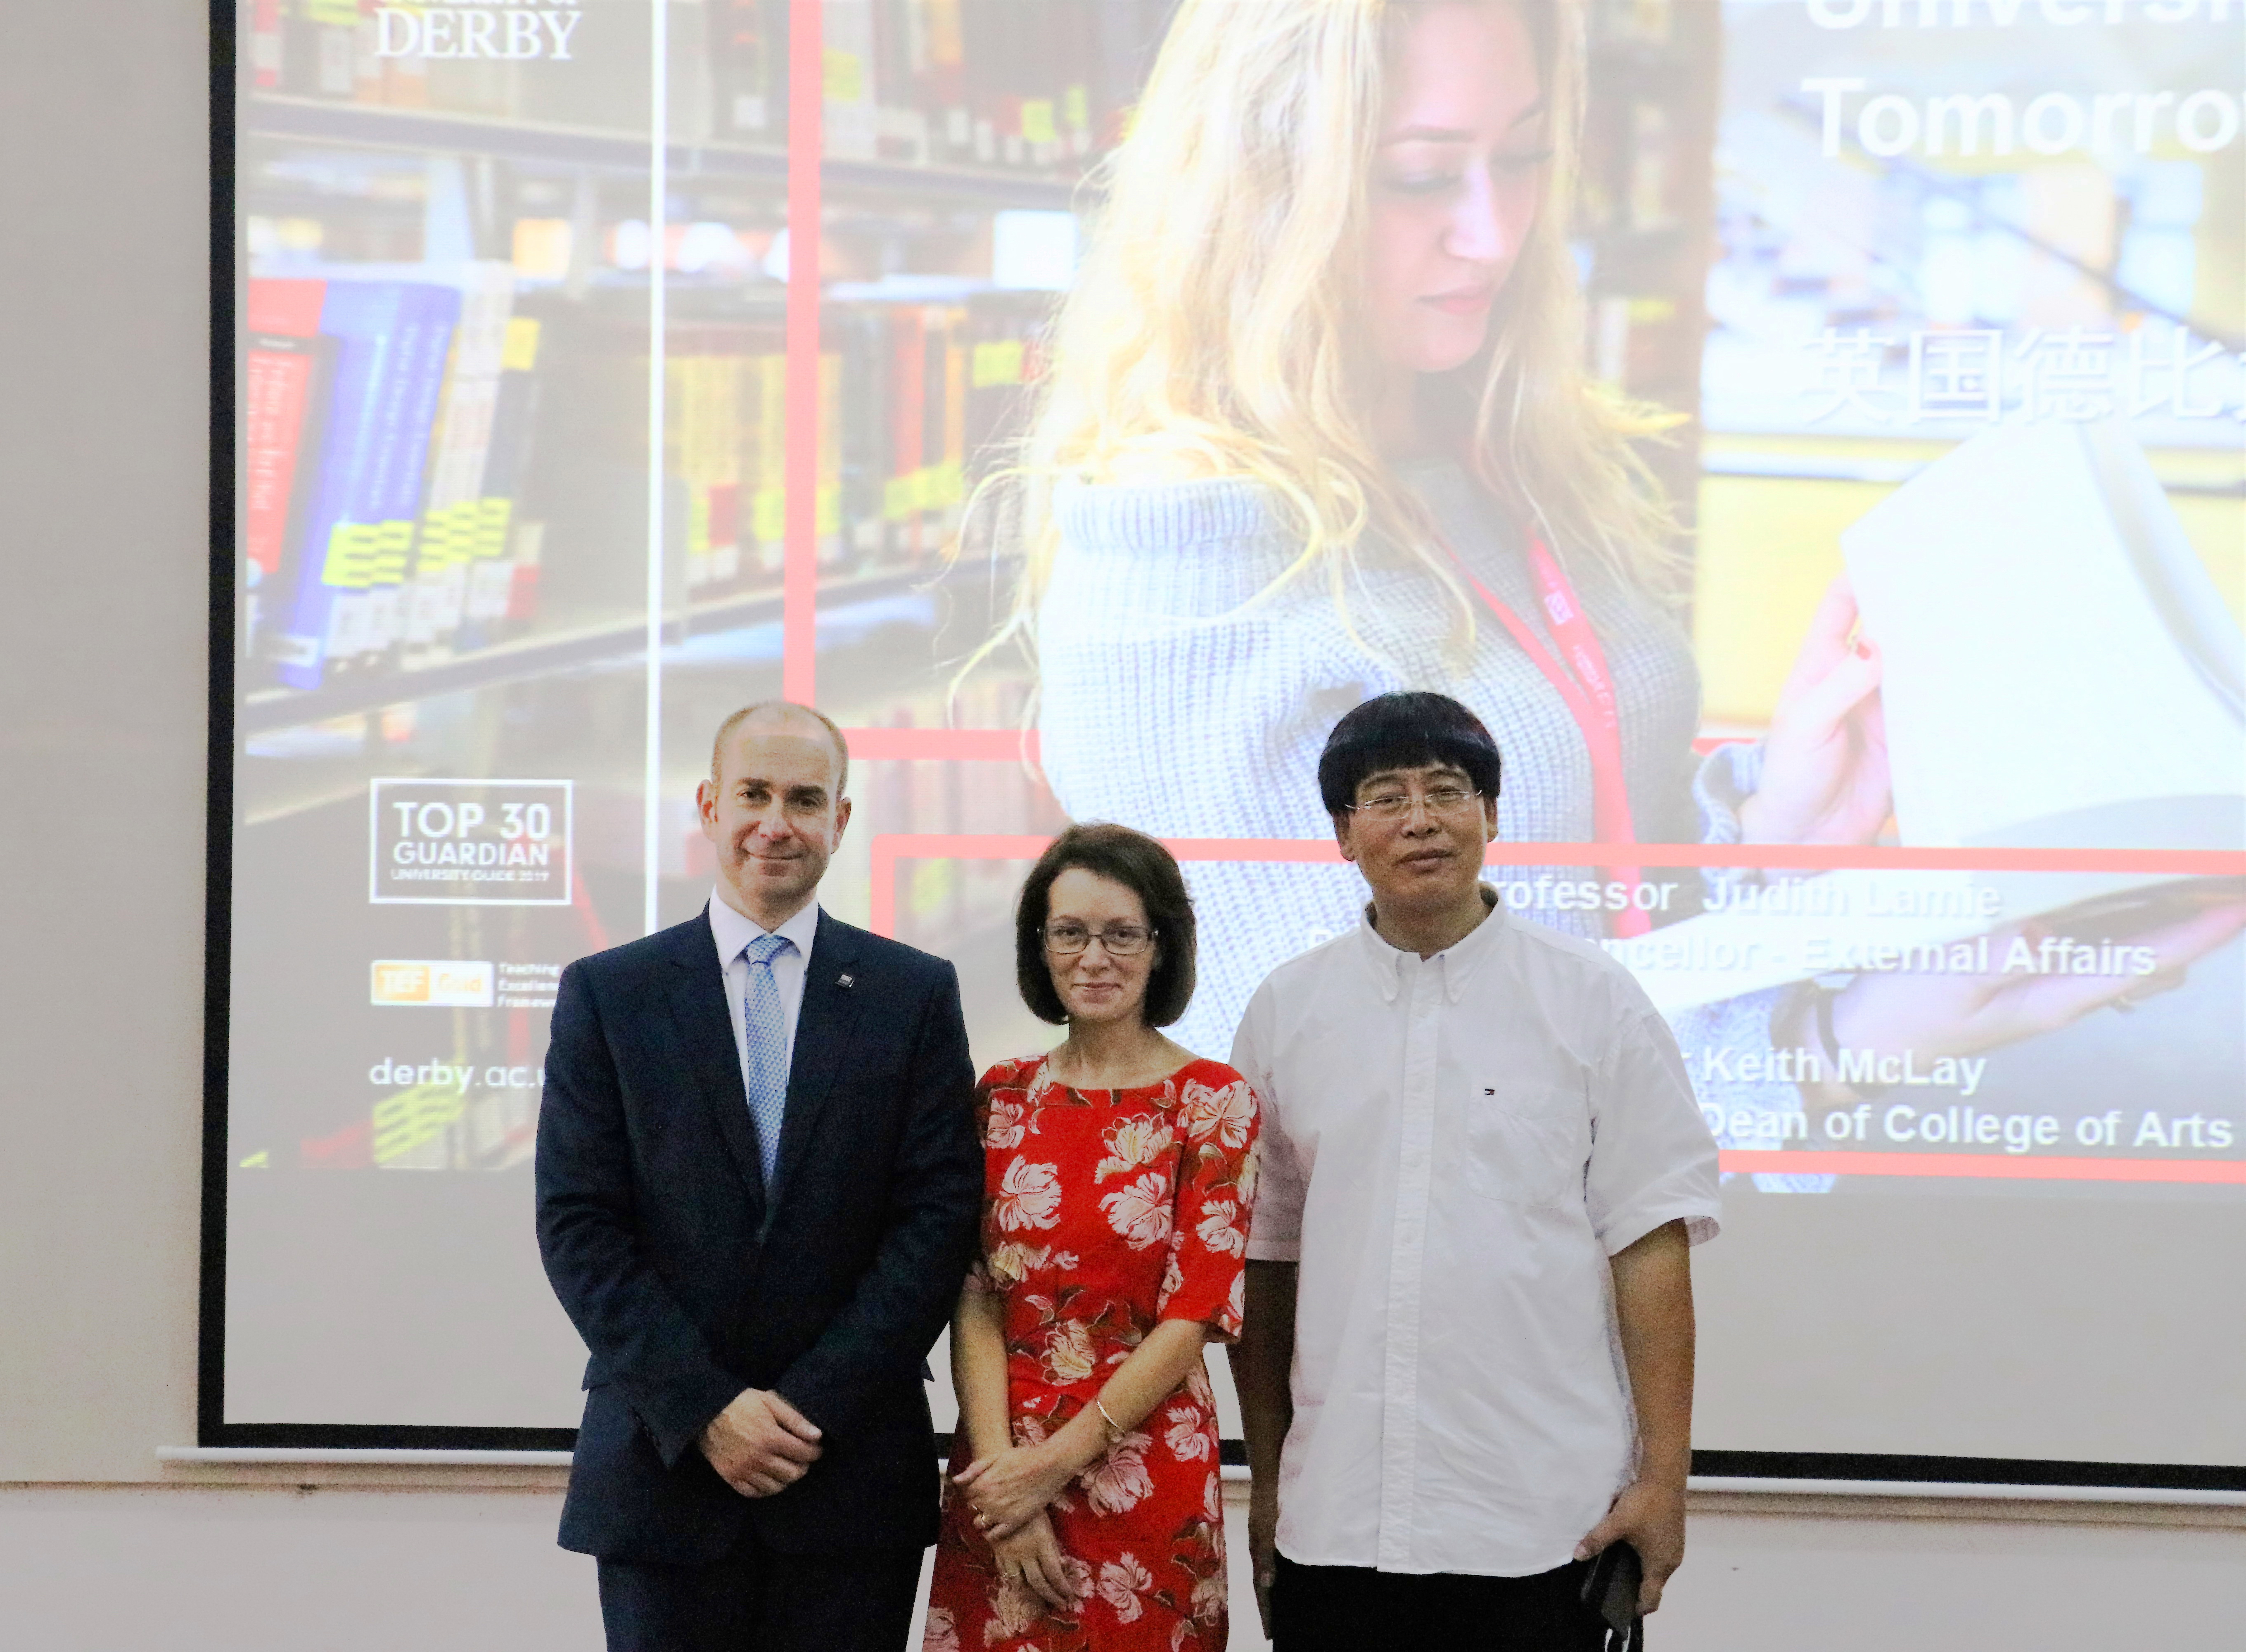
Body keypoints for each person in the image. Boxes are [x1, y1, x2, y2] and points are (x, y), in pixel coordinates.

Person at [1004, 0, 2246, 1179]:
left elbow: (1574, 918)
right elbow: (1371, 1125)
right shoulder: (1180, 554)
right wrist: (1828, 1052)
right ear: (1258, 192)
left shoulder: (1484, 446)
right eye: (1422, 176)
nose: (1495, 232)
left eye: (1524, 157)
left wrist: (1767, 829)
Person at [1229, 691, 1720, 1650]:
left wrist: (1665, 1479)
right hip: (1339, 1517)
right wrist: (1272, 1478)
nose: (1421, 818)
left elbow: (1651, 1243)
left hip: (1543, 1519)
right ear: (1343, 834)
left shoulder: (1593, 999)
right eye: (1386, 796)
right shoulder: (1288, 1010)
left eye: (1448, 790)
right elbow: (1267, 1257)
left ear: (1491, 814)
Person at [536, 700, 984, 1652]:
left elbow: (937, 1219)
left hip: (848, 1473)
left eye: (804, 799)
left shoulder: (912, 994)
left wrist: (809, 1407)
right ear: (709, 805)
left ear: (841, 820)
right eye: (753, 793)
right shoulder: (611, 994)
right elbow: (579, 1224)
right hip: (664, 1469)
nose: (775, 823)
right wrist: (707, 1408)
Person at [923, 824, 1260, 1652]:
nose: (1094, 958)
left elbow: (1192, 1316)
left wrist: (1053, 1465)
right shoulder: (1002, 1096)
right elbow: (975, 1298)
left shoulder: (1213, 1101)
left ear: (1161, 946)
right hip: (999, 1475)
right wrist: (1007, 1487)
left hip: (1143, 1470)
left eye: (1122, 934)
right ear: (1039, 946)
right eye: (1070, 932)